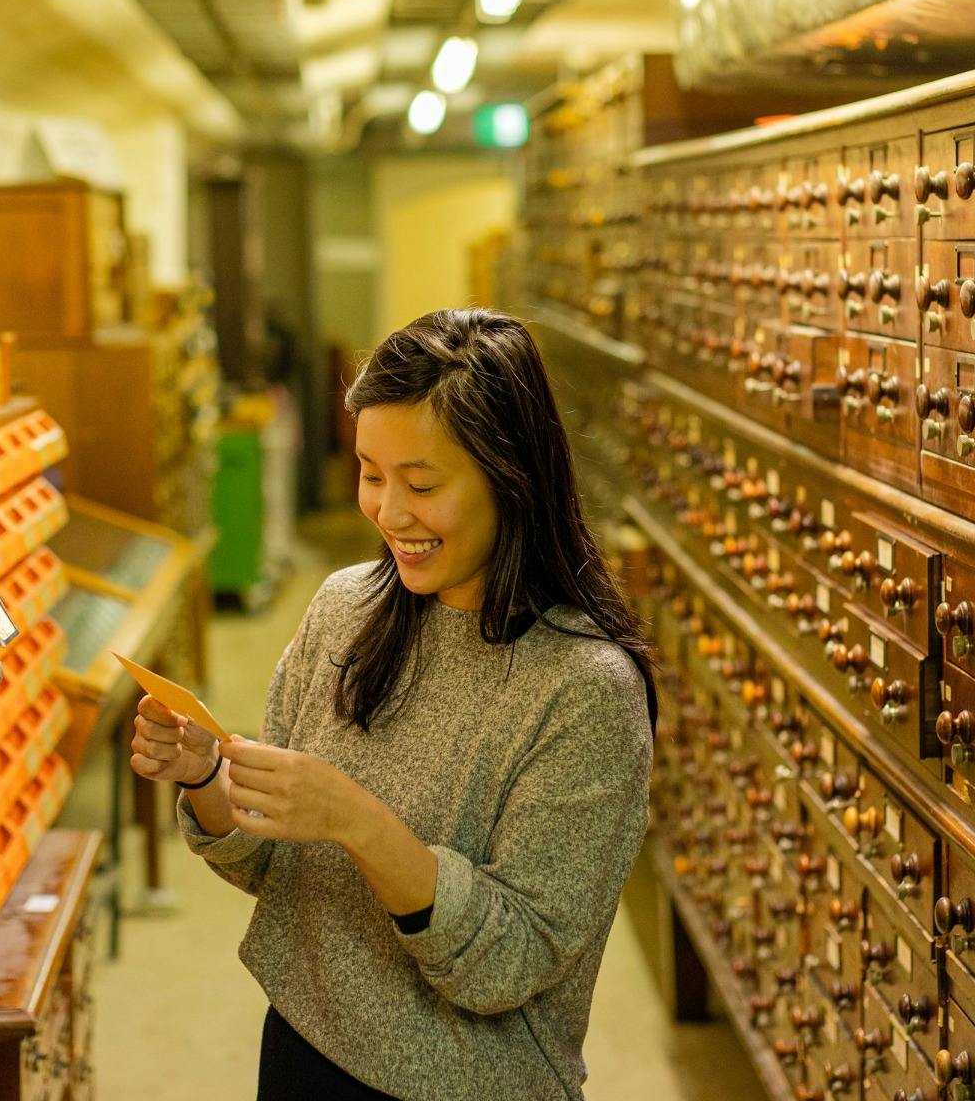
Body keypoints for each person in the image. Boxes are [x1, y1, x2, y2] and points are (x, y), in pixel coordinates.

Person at [130, 308, 656, 1100]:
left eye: (421, 484)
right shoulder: (345, 609)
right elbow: (279, 871)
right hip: (302, 1046)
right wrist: (210, 779)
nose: (387, 512)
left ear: (510, 476)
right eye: (371, 474)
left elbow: (510, 962)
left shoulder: (585, 690)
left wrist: (359, 823)